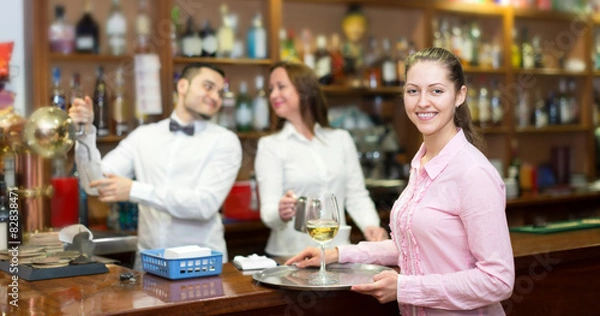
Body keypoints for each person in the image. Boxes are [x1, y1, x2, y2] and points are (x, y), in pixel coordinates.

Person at [287, 47, 515, 315]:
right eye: (413, 91)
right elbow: (409, 246)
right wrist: (338, 254)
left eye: (437, 91)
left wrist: (404, 288)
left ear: (460, 95)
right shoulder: (421, 163)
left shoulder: (473, 173)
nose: (422, 102)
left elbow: (497, 281)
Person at [68, 62, 242, 268]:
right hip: (148, 266)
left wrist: (135, 190)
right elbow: (94, 183)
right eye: (208, 86)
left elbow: (204, 205)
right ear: (183, 86)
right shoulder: (144, 136)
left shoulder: (225, 141)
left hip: (201, 265)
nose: (215, 97)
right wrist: (85, 133)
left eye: (220, 93)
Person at [254, 61, 388, 258]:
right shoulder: (270, 146)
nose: (273, 95)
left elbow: (356, 195)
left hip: (339, 253)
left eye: (281, 87)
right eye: (271, 89)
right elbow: (268, 213)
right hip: (291, 257)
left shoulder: (340, 139)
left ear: (306, 91)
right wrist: (280, 213)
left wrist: (372, 226)